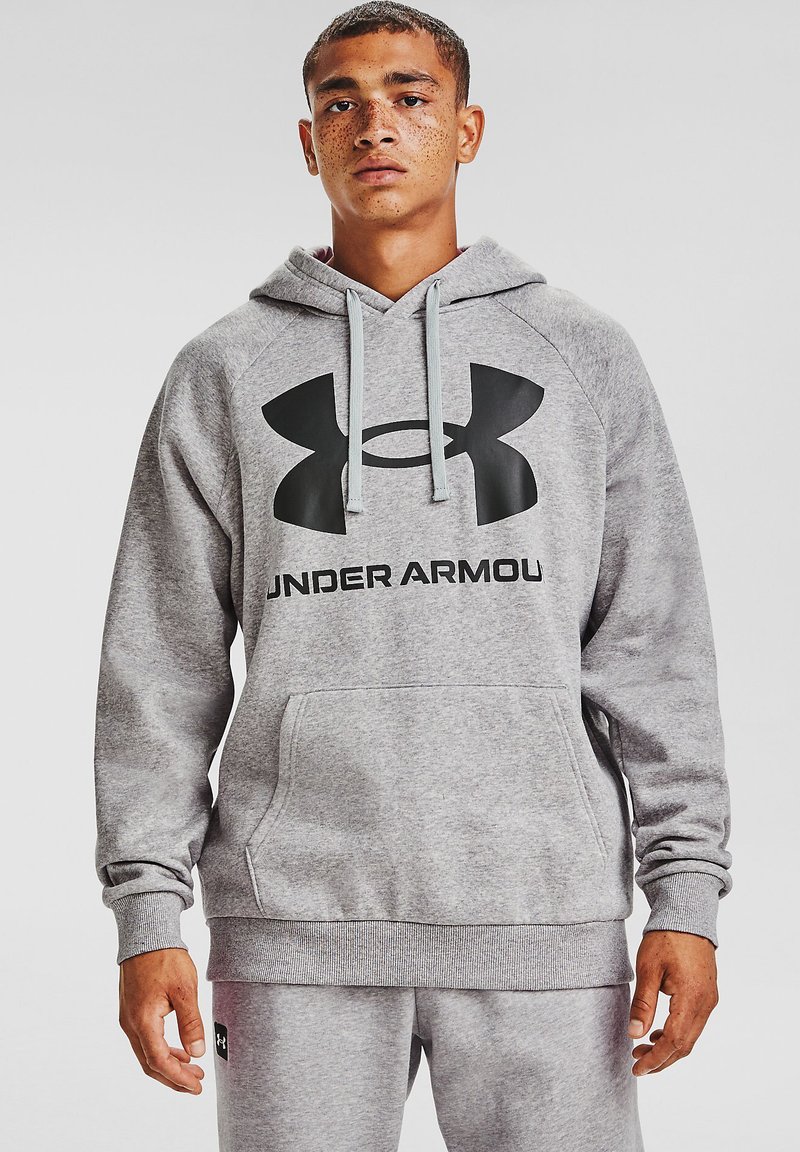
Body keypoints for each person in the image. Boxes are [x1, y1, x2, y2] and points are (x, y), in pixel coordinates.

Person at [93, 3, 734, 1149]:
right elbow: (161, 660)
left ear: (465, 128)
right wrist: (147, 912)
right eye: (339, 102)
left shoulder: (582, 358)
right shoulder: (223, 373)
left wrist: (683, 893)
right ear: (308, 142)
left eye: (408, 96)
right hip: (291, 933)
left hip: (542, 921)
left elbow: (651, 642)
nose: (373, 125)